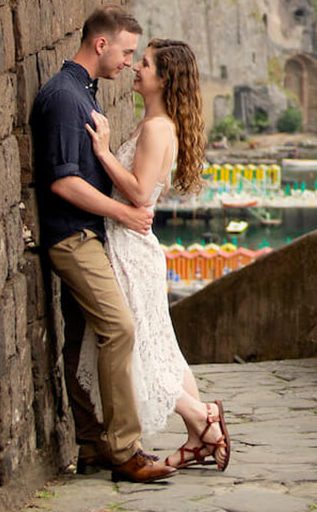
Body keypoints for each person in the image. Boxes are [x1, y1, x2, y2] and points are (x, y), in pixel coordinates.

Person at [29, 6, 175, 484]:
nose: (130, 63)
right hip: (73, 236)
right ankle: (124, 449)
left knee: (81, 340)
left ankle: (92, 444)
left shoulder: (82, 94)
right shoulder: (65, 98)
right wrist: (127, 214)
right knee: (120, 329)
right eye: (127, 51)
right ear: (101, 44)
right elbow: (63, 183)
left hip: (86, 234)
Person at [79, 38, 232, 471]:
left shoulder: (155, 127)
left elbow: (141, 193)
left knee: (138, 352)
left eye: (144, 64)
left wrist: (105, 153)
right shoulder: (158, 123)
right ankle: (198, 435)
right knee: (161, 346)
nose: (136, 69)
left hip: (129, 244)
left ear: (164, 79)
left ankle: (203, 418)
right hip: (136, 245)